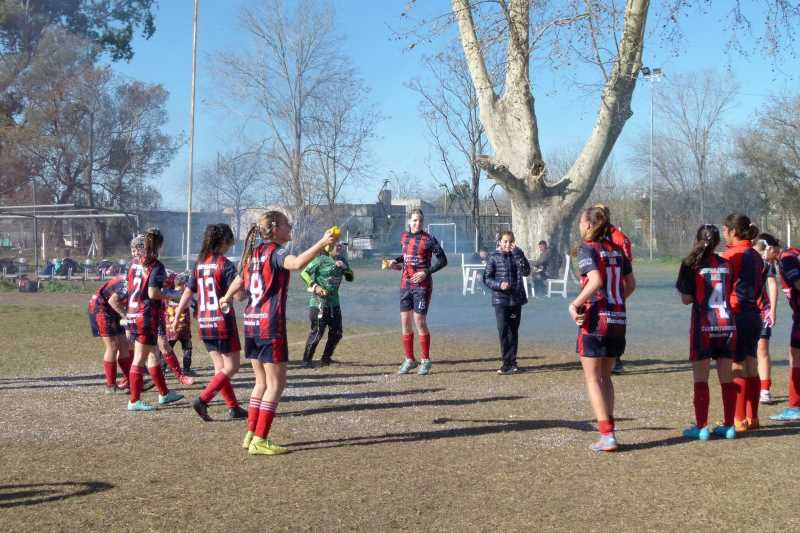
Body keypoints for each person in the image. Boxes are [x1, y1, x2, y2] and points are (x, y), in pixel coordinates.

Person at [219, 211, 336, 456]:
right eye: (286, 224)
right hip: (269, 325)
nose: (290, 227)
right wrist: (322, 243)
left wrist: (227, 297)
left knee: (261, 383)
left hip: (251, 323)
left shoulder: (253, 254)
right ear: (275, 228)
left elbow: (239, 286)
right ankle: (260, 439)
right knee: (276, 384)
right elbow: (297, 264)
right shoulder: (276, 252)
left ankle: (251, 434)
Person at [568, 206, 635, 452]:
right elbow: (631, 284)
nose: (579, 226)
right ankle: (610, 433)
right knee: (606, 377)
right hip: (618, 319)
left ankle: (607, 436)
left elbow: (595, 281)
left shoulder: (588, 248)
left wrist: (575, 304)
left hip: (597, 320)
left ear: (588, 225)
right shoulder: (617, 249)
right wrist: (615, 303)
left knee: (592, 378)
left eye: (580, 222)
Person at [174, 223, 247, 421]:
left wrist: (177, 315)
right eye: (230, 241)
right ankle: (202, 400)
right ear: (224, 241)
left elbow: (188, 291)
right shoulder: (224, 264)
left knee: (220, 368)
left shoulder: (199, 263)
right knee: (231, 367)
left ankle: (233, 407)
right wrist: (246, 285)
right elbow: (240, 295)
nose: (231, 245)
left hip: (204, 322)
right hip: (222, 322)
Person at [675, 224, 738, 440]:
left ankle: (701, 427)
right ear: (718, 242)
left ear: (697, 239)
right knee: (726, 378)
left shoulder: (690, 264)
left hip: (704, 325)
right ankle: (729, 426)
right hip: (727, 325)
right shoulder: (726, 264)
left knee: (701, 379)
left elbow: (686, 299)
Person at [125, 228, 184, 411]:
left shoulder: (133, 264)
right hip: (145, 315)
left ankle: (164, 393)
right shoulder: (156, 265)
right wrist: (175, 296)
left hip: (133, 313)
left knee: (152, 354)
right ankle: (134, 401)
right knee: (140, 358)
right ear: (158, 246)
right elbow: (153, 293)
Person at [384, 208, 448, 375]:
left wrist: (426, 272)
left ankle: (425, 360)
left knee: (419, 321)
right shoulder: (404, 237)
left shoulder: (429, 239)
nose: (417, 223)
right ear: (409, 221)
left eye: (420, 220)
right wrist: (394, 262)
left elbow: (443, 260)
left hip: (422, 286)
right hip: (405, 285)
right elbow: (405, 256)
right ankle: (410, 359)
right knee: (405, 322)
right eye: (414, 220)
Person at [720, 214, 764, 432]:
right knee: (751, 363)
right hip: (754, 315)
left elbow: (724, 285)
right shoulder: (756, 255)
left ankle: (738, 420)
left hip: (737, 313)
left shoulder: (732, 255)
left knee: (737, 365)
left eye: (725, 230)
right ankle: (752, 417)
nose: (723, 234)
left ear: (733, 231)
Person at [300, 241, 354, 368]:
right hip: (319, 304)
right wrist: (315, 286)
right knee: (317, 332)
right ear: (328, 247)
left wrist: (345, 268)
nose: (339, 246)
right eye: (336, 244)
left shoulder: (342, 260)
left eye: (340, 244)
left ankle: (326, 358)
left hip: (334, 304)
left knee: (337, 333)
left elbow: (350, 278)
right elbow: (304, 273)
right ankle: (306, 360)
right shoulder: (321, 260)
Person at [482, 231, 531, 374]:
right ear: (500, 242)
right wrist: (499, 285)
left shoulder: (518, 254)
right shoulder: (493, 257)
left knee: (513, 331)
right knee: (503, 330)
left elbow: (526, 271)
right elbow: (487, 278)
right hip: (500, 299)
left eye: (510, 241)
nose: (508, 244)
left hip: (516, 299)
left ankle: (513, 363)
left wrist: (518, 254)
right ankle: (506, 363)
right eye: (505, 241)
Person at [594, 204, 633, 374]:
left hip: (614, 288)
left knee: (612, 324)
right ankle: (603, 359)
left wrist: (620, 295)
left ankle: (615, 360)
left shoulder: (618, 238)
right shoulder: (595, 235)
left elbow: (627, 268)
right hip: (601, 290)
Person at [769, 242, 800, 421]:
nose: (762, 256)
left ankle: (795, 407)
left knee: (795, 356)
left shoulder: (786, 259)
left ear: (771, 248)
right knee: (794, 355)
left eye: (762, 250)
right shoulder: (793, 253)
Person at [88, 275, 132, 393]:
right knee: (112, 346)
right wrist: (127, 317)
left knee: (124, 345)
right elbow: (113, 301)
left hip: (114, 309)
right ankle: (111, 386)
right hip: (101, 308)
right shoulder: (128, 283)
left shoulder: (137, 280)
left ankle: (131, 381)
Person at [753, 233, 779, 404]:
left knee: (762, 349)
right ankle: (747, 387)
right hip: (742, 310)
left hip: (762, 310)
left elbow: (772, 284)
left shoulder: (766, 264)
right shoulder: (743, 259)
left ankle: (764, 389)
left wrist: (773, 310)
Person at [156, 270, 194, 386]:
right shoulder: (184, 296)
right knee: (187, 349)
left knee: (167, 351)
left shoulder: (166, 295)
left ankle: (163, 370)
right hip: (184, 328)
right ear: (184, 285)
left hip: (170, 329)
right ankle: (186, 369)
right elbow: (192, 304)